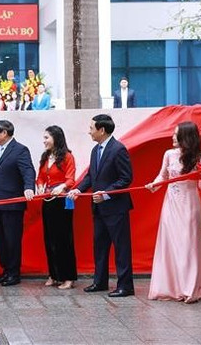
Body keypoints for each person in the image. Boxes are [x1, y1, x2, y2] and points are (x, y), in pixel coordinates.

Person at [67, 114, 134, 297]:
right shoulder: (96, 150)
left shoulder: (118, 149)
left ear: (101, 130)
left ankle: (125, 286)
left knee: (121, 248)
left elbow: (126, 178)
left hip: (116, 208)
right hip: (98, 208)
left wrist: (105, 194)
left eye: (91, 128)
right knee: (100, 246)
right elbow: (91, 175)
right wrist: (78, 189)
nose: (89, 132)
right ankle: (100, 281)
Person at [145, 122, 201, 303]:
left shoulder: (200, 158)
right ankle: (171, 288)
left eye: (176, 134)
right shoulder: (169, 154)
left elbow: (200, 184)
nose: (173, 137)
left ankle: (190, 289)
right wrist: (154, 185)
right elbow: (163, 176)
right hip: (170, 204)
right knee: (170, 244)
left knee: (189, 246)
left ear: (186, 137)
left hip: (190, 204)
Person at [0, 120, 35, 287]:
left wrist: (29, 187)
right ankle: (5, 270)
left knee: (12, 240)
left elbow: (28, 171)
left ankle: (14, 273)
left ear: (4, 133)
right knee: (1, 240)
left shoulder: (20, 150)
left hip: (12, 205)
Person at [36, 126, 77, 290]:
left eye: (47, 138)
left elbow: (71, 179)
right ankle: (53, 274)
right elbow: (40, 177)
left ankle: (68, 277)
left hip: (62, 201)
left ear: (56, 138)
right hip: (47, 200)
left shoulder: (67, 156)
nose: (44, 141)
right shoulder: (45, 156)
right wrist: (39, 186)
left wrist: (62, 187)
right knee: (49, 238)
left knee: (64, 239)